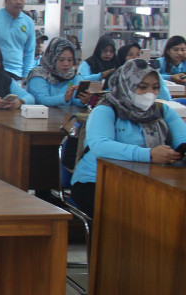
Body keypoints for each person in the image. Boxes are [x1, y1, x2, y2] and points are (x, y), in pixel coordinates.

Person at [70, 59, 185, 216]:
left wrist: (179, 152)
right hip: (97, 180)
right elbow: (100, 146)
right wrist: (149, 154)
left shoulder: (162, 111)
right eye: (143, 87)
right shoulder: (106, 110)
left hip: (149, 180)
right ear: (126, 85)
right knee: (136, 211)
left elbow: (182, 139)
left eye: (155, 87)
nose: (150, 93)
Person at [23, 37, 84, 107]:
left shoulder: (74, 74)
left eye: (70, 60)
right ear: (52, 58)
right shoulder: (38, 74)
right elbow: (41, 100)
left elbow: (76, 100)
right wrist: (64, 98)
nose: (66, 64)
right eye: (61, 60)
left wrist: (83, 101)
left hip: (67, 114)